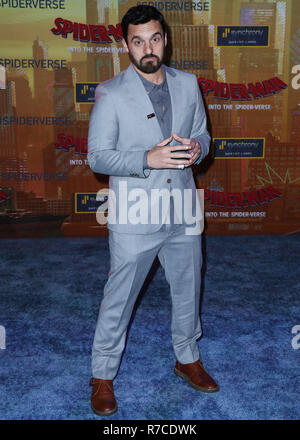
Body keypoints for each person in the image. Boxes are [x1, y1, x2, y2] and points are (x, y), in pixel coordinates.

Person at [87, 5, 219, 417]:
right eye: (138, 40)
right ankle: (102, 375)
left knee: (187, 289)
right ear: (126, 44)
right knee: (118, 298)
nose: (149, 48)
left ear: (166, 39)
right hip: (134, 213)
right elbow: (97, 157)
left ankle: (187, 357)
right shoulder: (110, 92)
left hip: (182, 208)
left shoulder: (189, 84)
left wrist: (200, 146)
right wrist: (147, 157)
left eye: (155, 38)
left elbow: (202, 133)